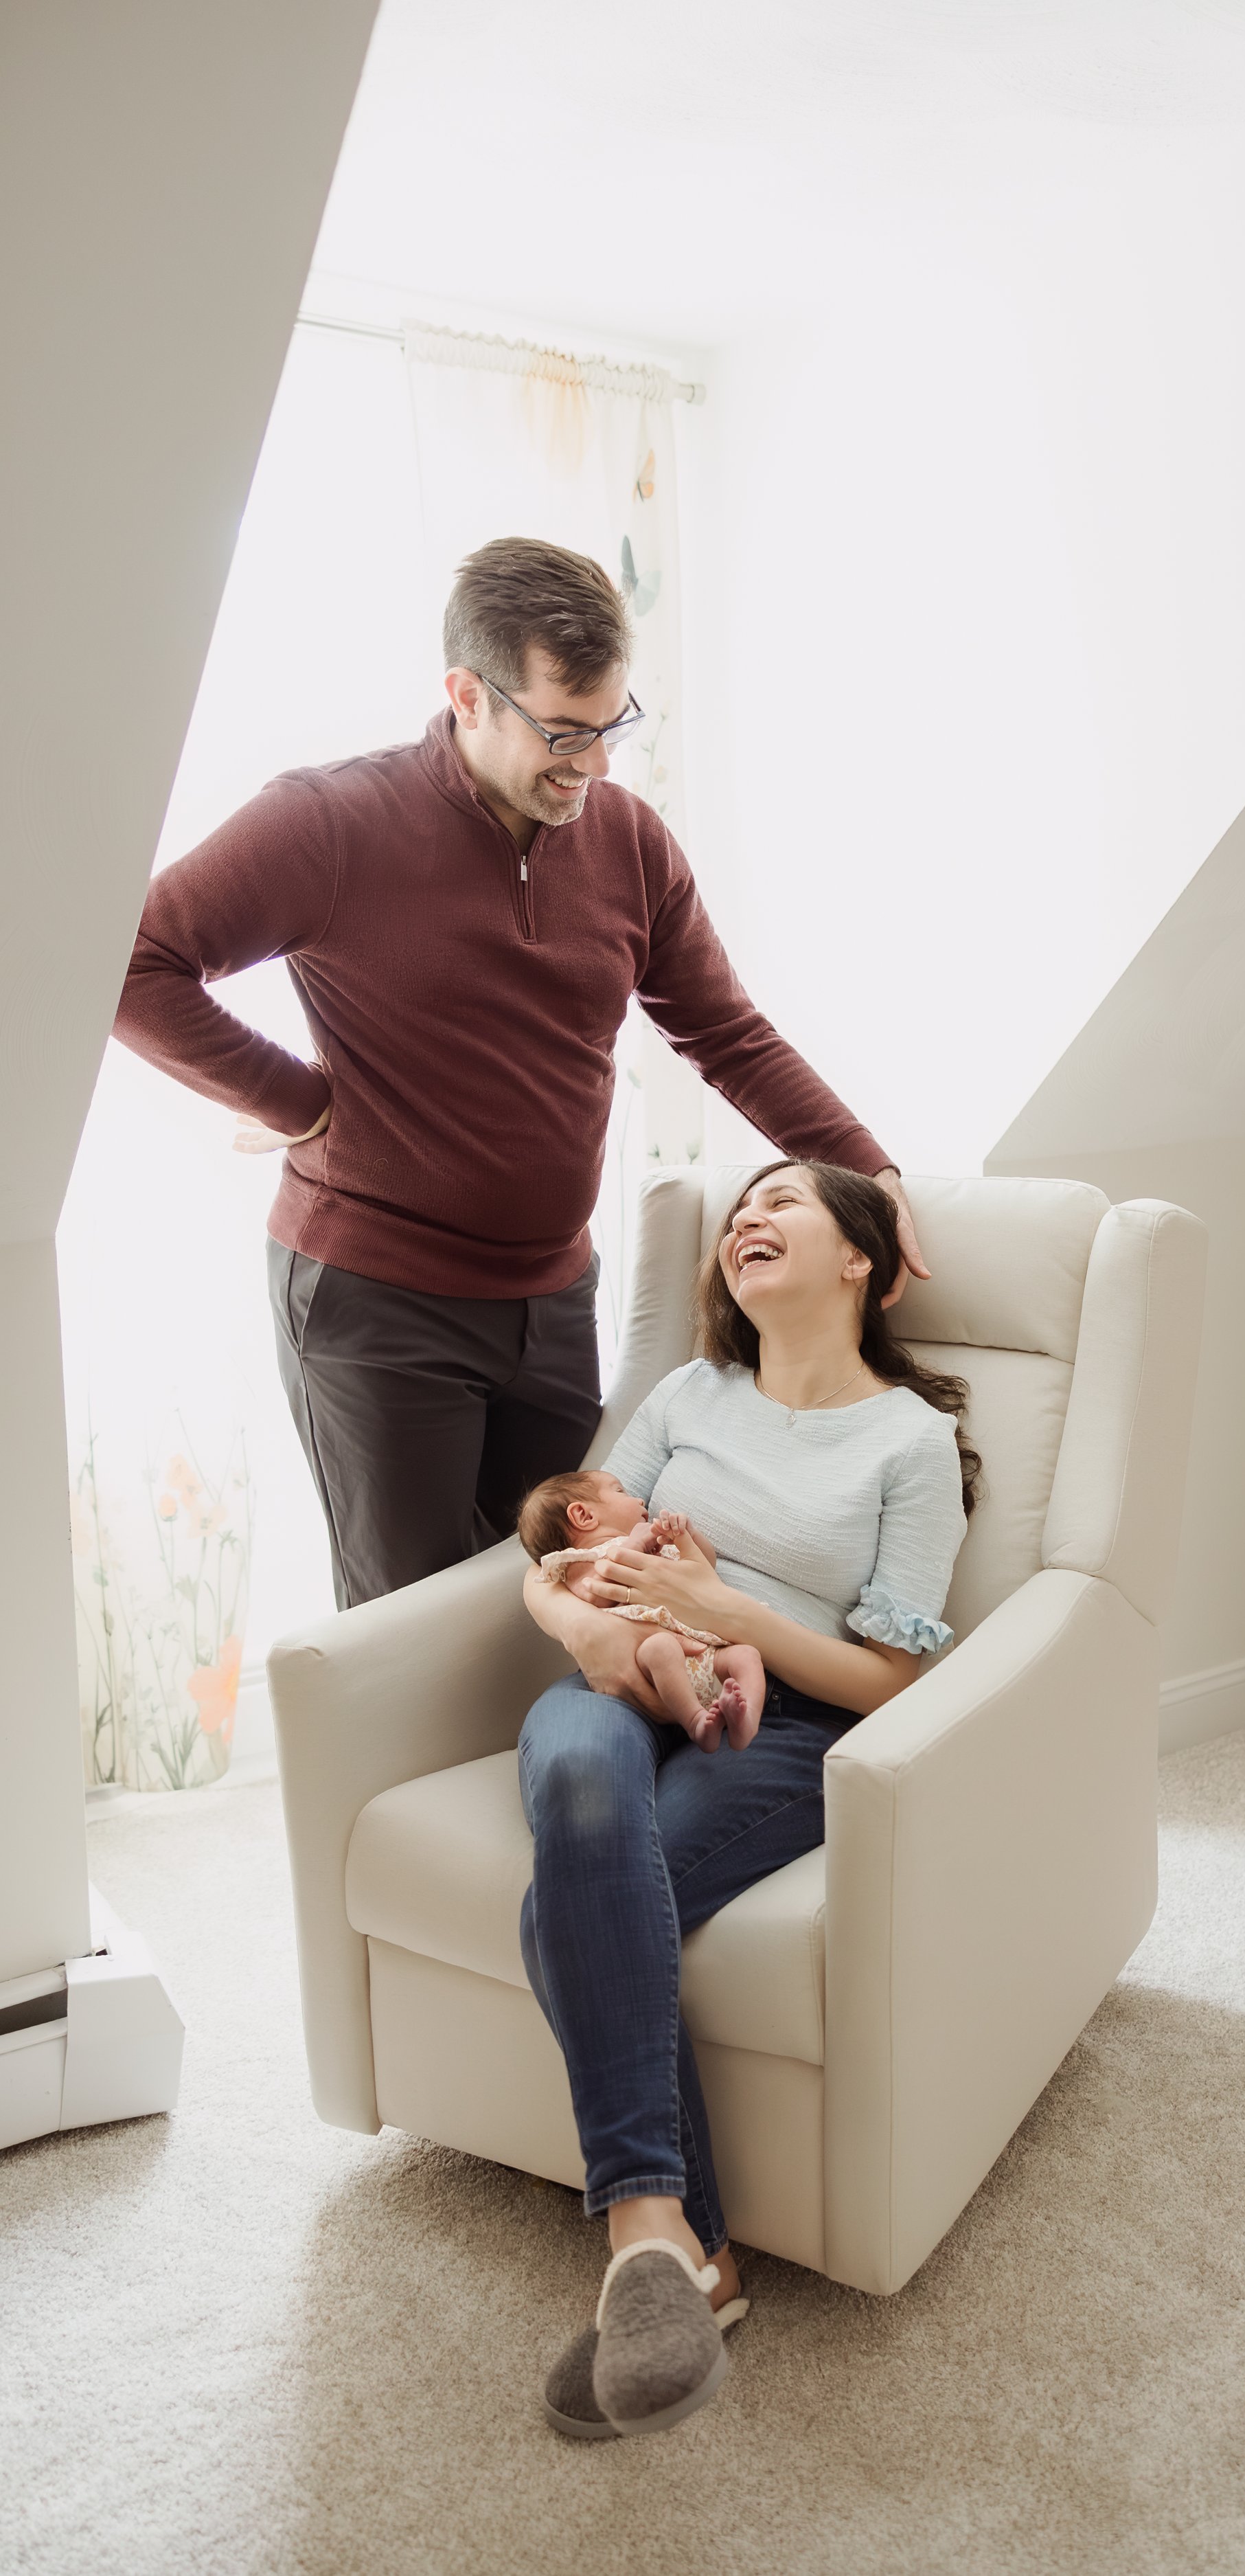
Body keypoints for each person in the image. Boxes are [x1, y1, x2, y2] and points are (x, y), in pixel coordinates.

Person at [111, 537, 926, 1608]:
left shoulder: (630, 842)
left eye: (612, 728)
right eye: (565, 733)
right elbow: (133, 964)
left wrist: (874, 1177)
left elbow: (727, 1031)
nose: (593, 767)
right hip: (377, 1304)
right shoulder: (329, 821)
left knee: (557, 1602)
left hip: (551, 1300)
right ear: (468, 695)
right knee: (405, 1627)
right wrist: (299, 1099)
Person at [518, 1159, 980, 2441]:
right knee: (577, 1788)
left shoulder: (910, 1442)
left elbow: (894, 1677)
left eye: (784, 1202)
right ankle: (678, 2249)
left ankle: (663, 2250)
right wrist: (583, 1634)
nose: (747, 1220)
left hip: (788, 1714)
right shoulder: (688, 1392)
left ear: (864, 1261)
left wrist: (728, 1615)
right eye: (738, 1212)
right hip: (615, 1671)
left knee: (588, 1888)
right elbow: (561, 1555)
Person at [517, 1469, 766, 1750]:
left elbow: (705, 1567)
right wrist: (633, 1546)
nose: (640, 1500)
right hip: (654, 1664)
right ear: (584, 1516)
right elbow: (595, 1594)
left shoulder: (656, 1541)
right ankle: (696, 1721)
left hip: (707, 1654)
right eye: (621, 1491)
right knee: (661, 1648)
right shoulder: (580, 1561)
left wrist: (688, 1537)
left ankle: (746, 1721)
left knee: (747, 1656)